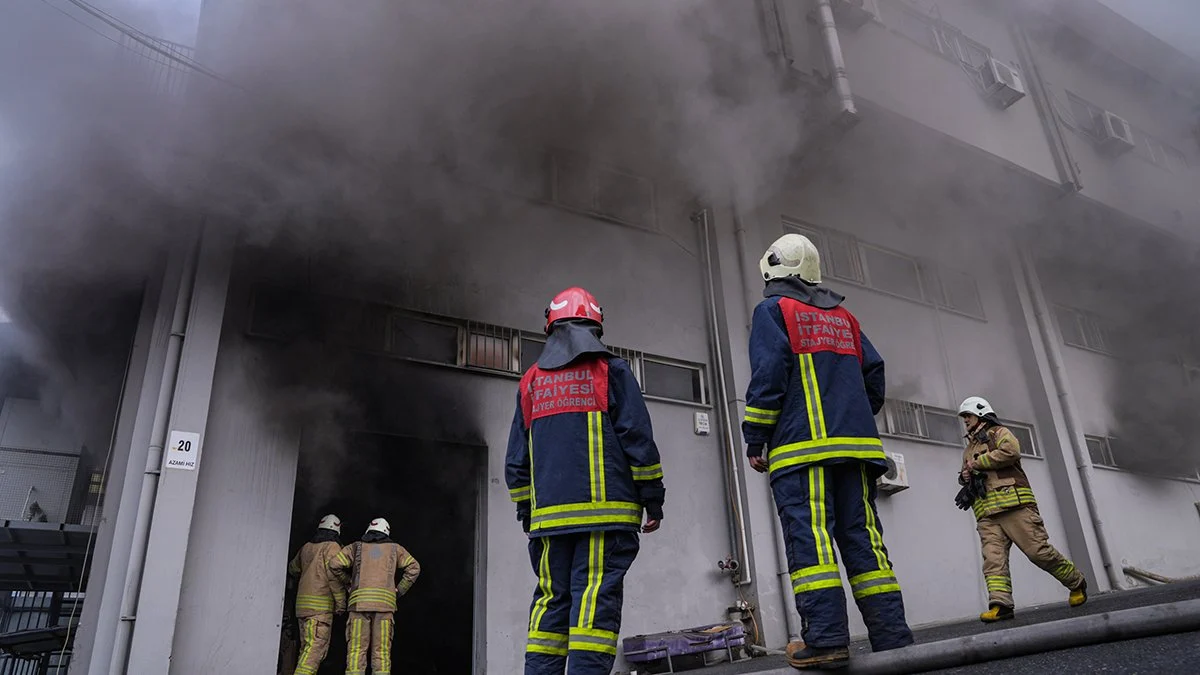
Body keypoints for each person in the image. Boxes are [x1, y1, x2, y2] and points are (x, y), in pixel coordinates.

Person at [743, 233, 913, 670]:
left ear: (774, 271)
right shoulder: (846, 318)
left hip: (802, 452)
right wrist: (851, 417)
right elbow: (873, 374)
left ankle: (828, 641)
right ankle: (892, 637)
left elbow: (769, 375)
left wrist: (755, 436)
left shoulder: (773, 311)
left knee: (812, 543)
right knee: (864, 543)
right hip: (855, 452)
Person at [505, 286, 665, 675]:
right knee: (593, 606)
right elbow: (638, 440)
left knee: (550, 604)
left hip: (548, 525)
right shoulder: (611, 370)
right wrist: (653, 498)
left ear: (550, 326)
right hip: (604, 520)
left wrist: (527, 510)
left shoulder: (531, 381)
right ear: (596, 325)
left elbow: (516, 458)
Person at [957, 396, 1087, 622]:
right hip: (986, 514)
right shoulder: (969, 448)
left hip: (1014, 505)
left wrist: (977, 464)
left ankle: (1076, 583)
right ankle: (1001, 605)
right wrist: (964, 476)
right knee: (993, 560)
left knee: (1037, 552)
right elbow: (966, 472)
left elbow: (1011, 452)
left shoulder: (999, 433)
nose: (965, 421)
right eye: (964, 417)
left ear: (980, 414)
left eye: (967, 416)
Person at [328, 518, 421, 675]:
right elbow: (414, 567)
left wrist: (348, 582)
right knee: (381, 654)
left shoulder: (355, 547)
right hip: (384, 608)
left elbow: (334, 564)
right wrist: (399, 590)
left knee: (356, 651)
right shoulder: (395, 549)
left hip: (359, 607)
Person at [286, 514, 347, 675]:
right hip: (319, 610)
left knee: (306, 651)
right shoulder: (333, 547)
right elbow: (334, 577)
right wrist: (341, 604)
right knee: (314, 652)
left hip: (302, 608)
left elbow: (293, 568)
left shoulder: (306, 547)